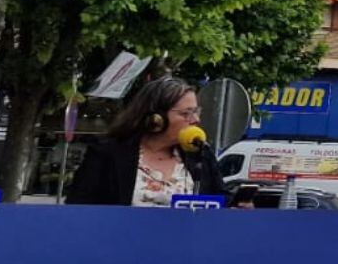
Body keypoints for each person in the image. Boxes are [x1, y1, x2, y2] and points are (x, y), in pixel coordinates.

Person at [65, 76, 225, 207]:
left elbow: (221, 201)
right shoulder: (108, 152)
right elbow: (78, 205)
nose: (195, 120)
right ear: (156, 119)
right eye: (185, 114)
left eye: (196, 112)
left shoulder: (200, 154)